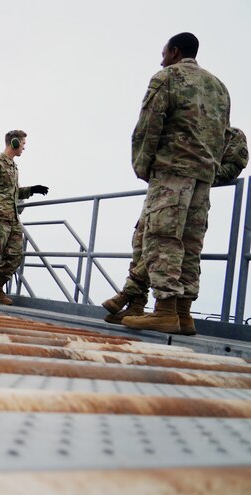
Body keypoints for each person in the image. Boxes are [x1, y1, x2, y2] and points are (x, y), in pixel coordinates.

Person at [113, 33, 230, 334]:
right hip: (203, 179)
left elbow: (149, 125)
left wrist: (144, 167)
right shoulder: (219, 87)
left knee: (162, 238)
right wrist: (209, 171)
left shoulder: (167, 77)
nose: (161, 58)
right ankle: (183, 315)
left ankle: (164, 310)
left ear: (175, 51)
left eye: (163, 52)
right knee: (190, 245)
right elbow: (222, 135)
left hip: (172, 172)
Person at [102, 127, 248, 334]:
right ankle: (134, 305)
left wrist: (198, 174)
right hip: (164, 190)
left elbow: (234, 165)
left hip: (188, 196)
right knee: (144, 243)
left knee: (170, 248)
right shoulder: (184, 125)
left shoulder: (229, 134)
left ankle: (174, 311)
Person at [0, 130, 49, 304]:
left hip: (12, 219)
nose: (24, 148)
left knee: (15, 255)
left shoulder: (13, 167)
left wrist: (32, 190)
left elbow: (13, 193)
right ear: (14, 143)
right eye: (23, 144)